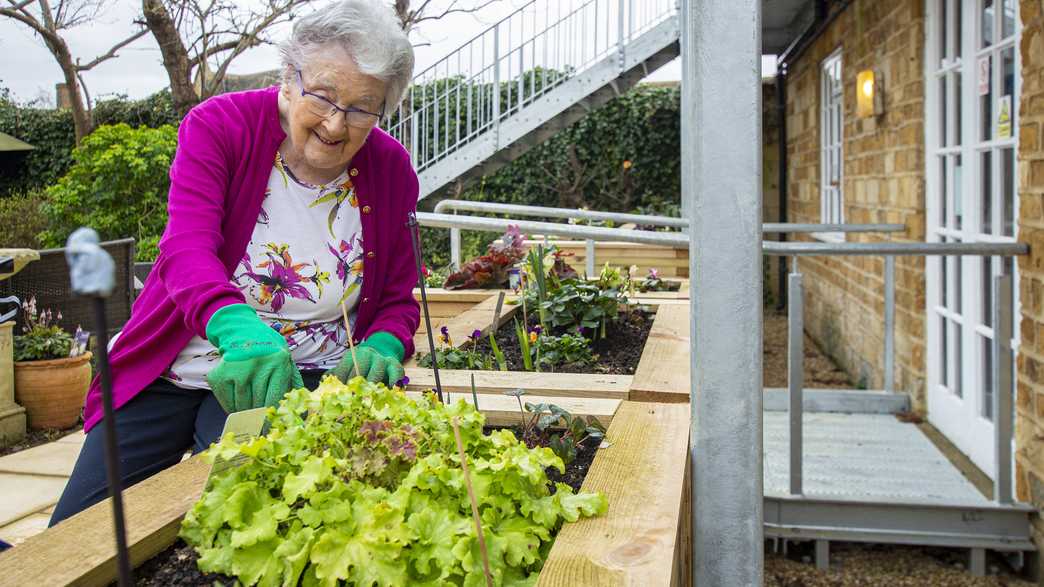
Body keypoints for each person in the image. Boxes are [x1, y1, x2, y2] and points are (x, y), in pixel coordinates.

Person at [50, 0, 419, 526]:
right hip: (174, 361)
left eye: (363, 107)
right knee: (76, 535)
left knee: (236, 522)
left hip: (295, 378)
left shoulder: (391, 170)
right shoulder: (220, 126)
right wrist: (240, 329)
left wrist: (383, 344)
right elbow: (185, 250)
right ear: (288, 79)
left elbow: (400, 299)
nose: (337, 124)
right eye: (323, 96)